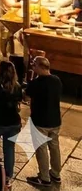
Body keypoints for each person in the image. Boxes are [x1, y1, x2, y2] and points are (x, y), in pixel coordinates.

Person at [24, 57, 63, 186]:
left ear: (40, 67)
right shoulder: (56, 80)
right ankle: (56, 174)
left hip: (40, 121)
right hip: (55, 120)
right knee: (54, 148)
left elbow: (26, 96)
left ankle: (44, 177)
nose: (32, 67)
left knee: (41, 149)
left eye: (34, 65)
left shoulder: (36, 83)